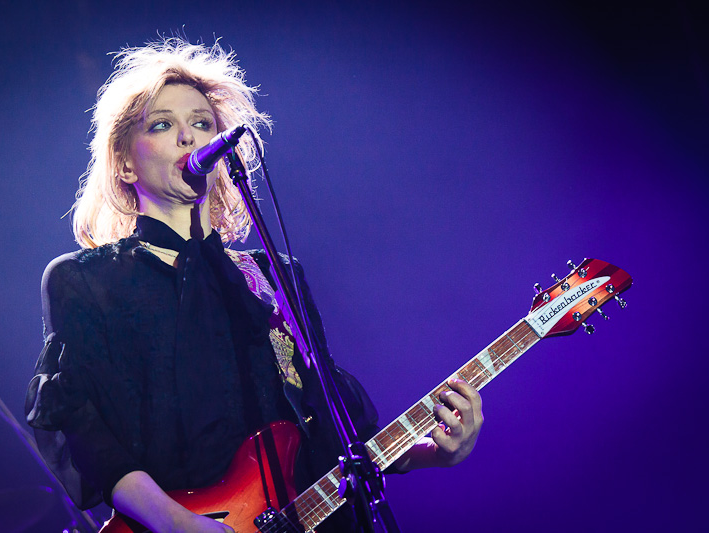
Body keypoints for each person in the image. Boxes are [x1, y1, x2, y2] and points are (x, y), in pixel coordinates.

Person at [25, 38, 483, 533]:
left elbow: (330, 429)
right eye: (162, 125)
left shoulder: (271, 275)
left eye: (202, 123)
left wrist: (431, 453)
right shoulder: (86, 280)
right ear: (125, 163)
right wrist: (177, 523)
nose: (189, 137)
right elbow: (82, 427)